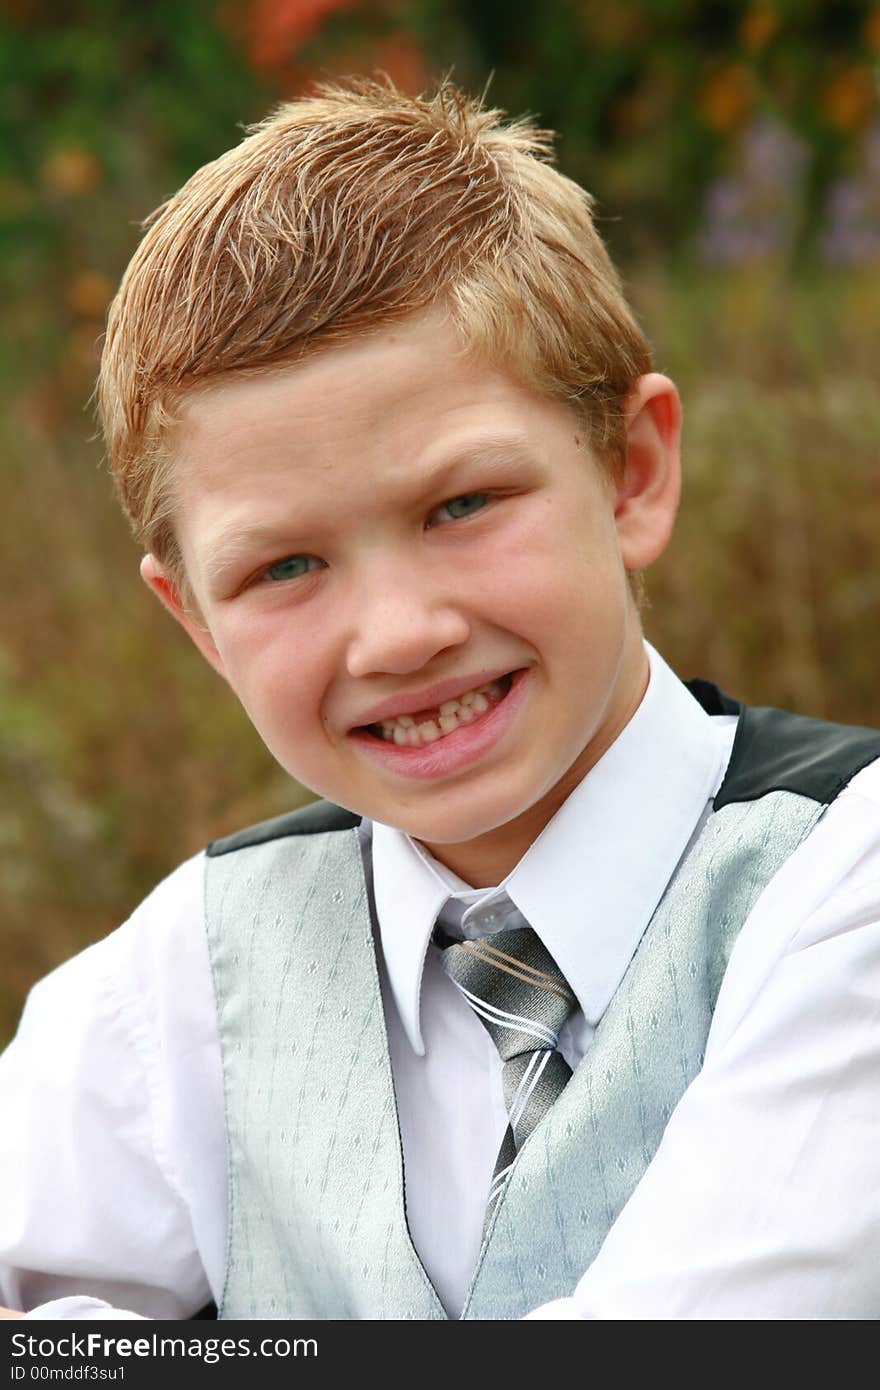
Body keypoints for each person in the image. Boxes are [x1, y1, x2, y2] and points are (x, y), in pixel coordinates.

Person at [1, 76, 879, 1322]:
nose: (400, 634)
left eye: (460, 505)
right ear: (193, 619)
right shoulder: (185, 977)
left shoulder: (839, 881)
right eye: (283, 567)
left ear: (630, 473)